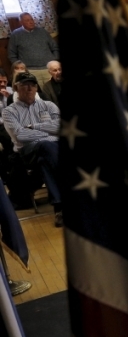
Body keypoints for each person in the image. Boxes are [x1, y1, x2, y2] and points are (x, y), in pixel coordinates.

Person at [2, 71, 62, 227]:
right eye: (24, 85)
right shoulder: (9, 112)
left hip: (49, 151)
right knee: (47, 145)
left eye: (32, 85)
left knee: (45, 161)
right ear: (16, 88)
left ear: (37, 88)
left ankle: (59, 208)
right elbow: (20, 135)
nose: (29, 89)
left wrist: (33, 126)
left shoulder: (48, 106)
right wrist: (47, 132)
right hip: (27, 153)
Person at [7, 13, 60, 89]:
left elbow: (55, 47)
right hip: (30, 70)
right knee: (37, 92)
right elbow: (11, 55)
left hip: (48, 69)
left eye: (31, 19)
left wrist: (54, 60)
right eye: (27, 20)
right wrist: (21, 68)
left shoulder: (42, 32)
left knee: (54, 90)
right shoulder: (15, 34)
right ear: (21, 22)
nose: (31, 22)